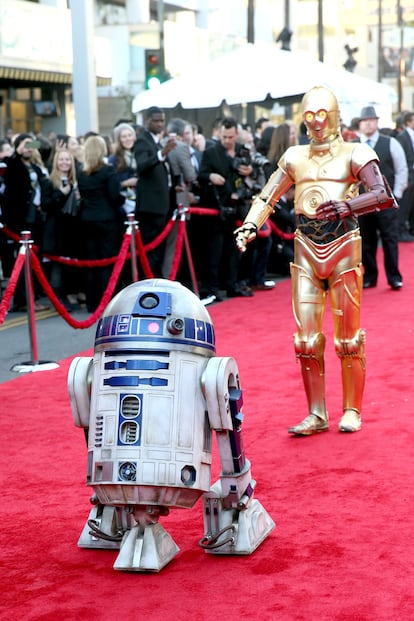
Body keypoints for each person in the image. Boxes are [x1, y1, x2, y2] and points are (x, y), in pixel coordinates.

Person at [235, 85, 397, 436]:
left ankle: (352, 409)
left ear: (335, 116)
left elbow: (383, 195)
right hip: (306, 247)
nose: (317, 123)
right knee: (305, 340)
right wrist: (250, 224)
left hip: (343, 246)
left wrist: (349, 206)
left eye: (323, 115)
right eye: (310, 116)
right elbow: (269, 194)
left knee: (348, 340)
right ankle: (316, 413)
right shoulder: (295, 156)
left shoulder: (357, 152)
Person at [198, 116, 255, 300]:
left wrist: (250, 171)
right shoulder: (211, 152)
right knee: (215, 251)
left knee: (234, 249)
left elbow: (251, 172)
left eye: (230, 137)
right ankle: (213, 289)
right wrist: (211, 176)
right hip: (217, 208)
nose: (227, 141)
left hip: (238, 206)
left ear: (236, 134)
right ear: (219, 134)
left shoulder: (241, 151)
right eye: (224, 137)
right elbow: (201, 175)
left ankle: (232, 284)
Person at [356, 105, 407, 289]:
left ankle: (394, 276)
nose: (368, 124)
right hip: (361, 203)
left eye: (371, 120)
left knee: (390, 239)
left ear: (377, 122)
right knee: (366, 241)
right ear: (360, 124)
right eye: (365, 121)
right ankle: (370, 276)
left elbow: (401, 169)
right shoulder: (354, 145)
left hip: (386, 202)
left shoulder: (390, 143)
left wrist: (397, 194)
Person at [77, 135, 125, 312]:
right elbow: (115, 197)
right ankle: (107, 301)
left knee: (91, 262)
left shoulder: (81, 173)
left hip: (87, 220)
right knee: (107, 261)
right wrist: (123, 199)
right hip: (106, 221)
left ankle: (92, 302)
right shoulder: (108, 171)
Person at [134, 106, 177, 276]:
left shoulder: (155, 141)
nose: (160, 124)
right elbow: (142, 165)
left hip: (161, 204)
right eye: (156, 121)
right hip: (150, 207)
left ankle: (156, 281)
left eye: (162, 121)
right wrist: (161, 154)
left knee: (158, 249)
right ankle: (151, 283)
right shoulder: (142, 141)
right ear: (147, 121)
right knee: (151, 249)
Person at [40, 149, 81, 308]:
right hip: (55, 229)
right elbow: (46, 205)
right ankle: (58, 296)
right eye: (62, 160)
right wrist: (61, 193)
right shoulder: (48, 181)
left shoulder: (75, 182)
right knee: (57, 264)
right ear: (56, 162)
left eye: (68, 160)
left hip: (71, 229)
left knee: (70, 264)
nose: (65, 163)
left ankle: (70, 294)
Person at [395, 111, 414, 240]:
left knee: (412, 205)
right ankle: (401, 231)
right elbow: (400, 159)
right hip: (408, 175)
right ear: (408, 122)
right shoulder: (402, 137)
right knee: (405, 205)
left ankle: (411, 228)